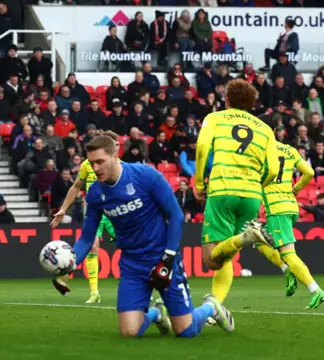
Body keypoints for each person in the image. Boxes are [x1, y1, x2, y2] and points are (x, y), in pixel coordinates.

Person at [52, 134, 235, 338]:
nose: (95, 168)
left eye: (100, 162)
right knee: (129, 332)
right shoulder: (95, 193)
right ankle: (157, 314)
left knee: (186, 331)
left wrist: (168, 257)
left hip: (163, 258)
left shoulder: (146, 176)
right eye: (91, 163)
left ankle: (211, 307)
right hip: (132, 265)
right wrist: (68, 265)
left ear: (115, 155)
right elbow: (87, 238)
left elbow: (175, 215)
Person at [195, 79, 280, 307]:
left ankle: (247, 236)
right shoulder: (264, 129)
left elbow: (202, 147)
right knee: (226, 257)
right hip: (252, 195)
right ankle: (215, 308)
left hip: (223, 190)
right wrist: (256, 185)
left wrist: (199, 183)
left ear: (227, 99)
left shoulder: (214, 118)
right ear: (252, 103)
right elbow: (273, 169)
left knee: (211, 261)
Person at [248, 140, 323, 308]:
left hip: (277, 209)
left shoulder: (261, 149)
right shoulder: (289, 150)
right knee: (255, 236)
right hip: (290, 206)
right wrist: (295, 189)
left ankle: (315, 290)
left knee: (288, 254)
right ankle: (286, 269)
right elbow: (309, 172)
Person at [51, 131, 118, 304]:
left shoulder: (121, 167)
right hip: (94, 211)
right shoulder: (87, 165)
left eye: (116, 144)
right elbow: (75, 187)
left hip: (115, 211)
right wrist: (63, 209)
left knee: (130, 246)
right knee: (92, 246)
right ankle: (94, 293)